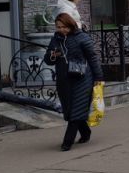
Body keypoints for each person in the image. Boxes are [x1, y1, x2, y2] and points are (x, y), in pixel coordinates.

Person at [43, 12, 103, 151]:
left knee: (76, 109)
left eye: (64, 27)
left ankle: (67, 142)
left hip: (83, 79)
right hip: (64, 80)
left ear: (71, 25)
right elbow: (47, 60)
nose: (61, 29)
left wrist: (98, 78)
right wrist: (53, 55)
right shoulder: (56, 39)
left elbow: (93, 58)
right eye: (58, 27)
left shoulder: (82, 38)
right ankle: (86, 132)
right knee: (70, 110)